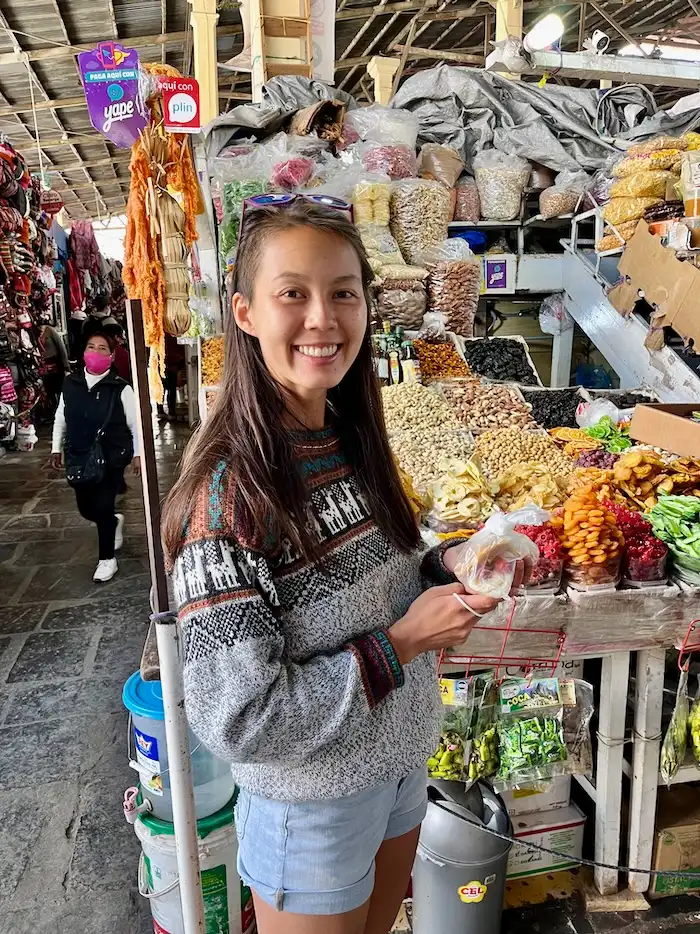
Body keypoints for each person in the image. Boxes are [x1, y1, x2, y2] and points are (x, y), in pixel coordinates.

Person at [161, 199, 522, 934]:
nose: (323, 318)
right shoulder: (226, 497)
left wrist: (446, 562)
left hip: (397, 769)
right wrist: (406, 642)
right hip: (314, 806)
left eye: (344, 292)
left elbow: (378, 581)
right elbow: (240, 719)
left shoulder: (350, 438)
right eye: (293, 292)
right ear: (246, 312)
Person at [51, 329, 141, 583]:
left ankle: (106, 560)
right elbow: (61, 416)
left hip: (112, 456)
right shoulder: (71, 384)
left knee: (102, 505)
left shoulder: (121, 388)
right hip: (80, 454)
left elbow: (136, 425)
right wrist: (56, 447)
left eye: (103, 348)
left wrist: (138, 454)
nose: (96, 352)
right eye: (92, 346)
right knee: (87, 509)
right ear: (83, 352)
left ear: (112, 357)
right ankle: (113, 522)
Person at [38, 322, 70, 412]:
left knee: (59, 388)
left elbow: (61, 347)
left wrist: (66, 365)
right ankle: (54, 410)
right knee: (49, 389)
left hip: (56, 363)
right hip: (45, 365)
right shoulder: (35, 333)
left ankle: (63, 409)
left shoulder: (50, 330)